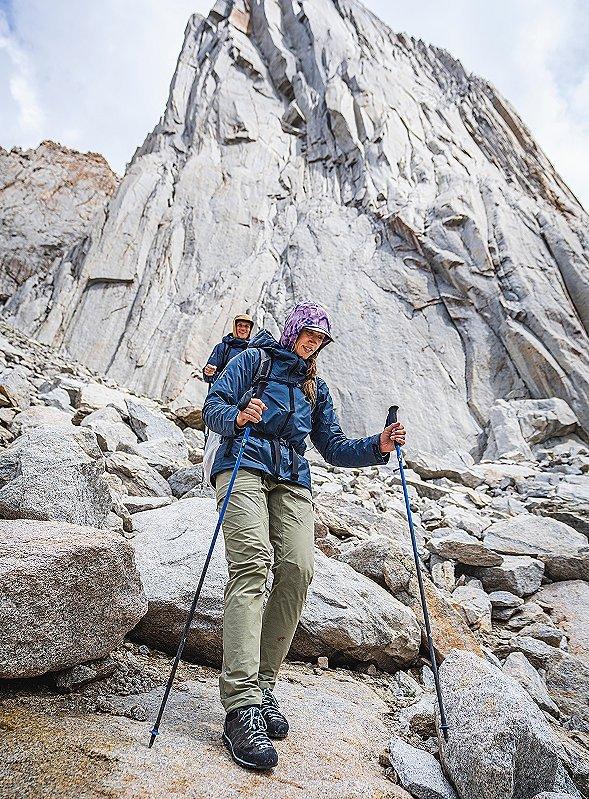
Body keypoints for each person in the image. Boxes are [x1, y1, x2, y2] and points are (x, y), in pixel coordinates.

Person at [202, 301, 406, 771]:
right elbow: (212, 405)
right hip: (242, 463)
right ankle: (241, 706)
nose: (313, 344)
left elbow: (333, 447)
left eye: (320, 340)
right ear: (293, 331)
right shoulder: (253, 359)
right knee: (252, 564)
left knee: (297, 569)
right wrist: (236, 417)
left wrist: (378, 445)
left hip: (292, 476)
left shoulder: (317, 388)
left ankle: (264, 685)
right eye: (308, 335)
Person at [203, 313, 254, 384]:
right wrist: (208, 371)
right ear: (234, 327)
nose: (243, 329)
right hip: (222, 392)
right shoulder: (222, 347)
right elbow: (208, 376)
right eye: (240, 325)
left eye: (246, 326)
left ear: (250, 329)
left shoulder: (252, 351)